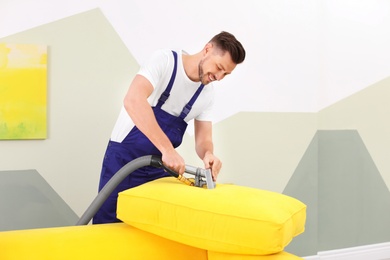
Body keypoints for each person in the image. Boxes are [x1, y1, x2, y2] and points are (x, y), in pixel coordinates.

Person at [93, 31, 246, 224]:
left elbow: (203, 140)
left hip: (159, 169)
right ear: (207, 49)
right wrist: (167, 149)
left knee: (152, 230)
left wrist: (208, 154)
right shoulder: (165, 62)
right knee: (109, 227)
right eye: (219, 67)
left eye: (226, 74)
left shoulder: (206, 95)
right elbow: (133, 100)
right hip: (123, 161)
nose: (219, 77)